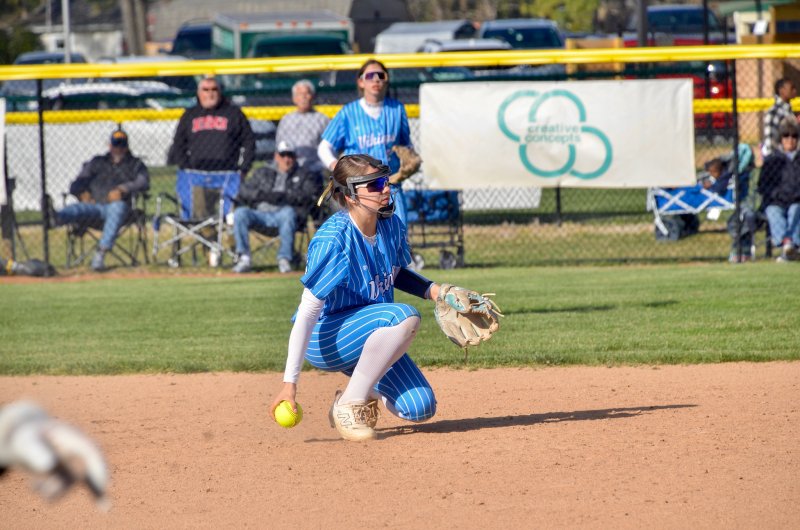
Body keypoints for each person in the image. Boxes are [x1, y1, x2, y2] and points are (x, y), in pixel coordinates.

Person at [269, 154, 440, 442]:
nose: (384, 188)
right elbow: (308, 313)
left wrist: (438, 291)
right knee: (404, 316)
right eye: (373, 186)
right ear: (350, 196)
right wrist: (290, 384)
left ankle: (347, 397)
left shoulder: (390, 225)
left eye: (384, 181)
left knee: (420, 407)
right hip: (326, 337)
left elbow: (395, 273)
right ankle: (351, 404)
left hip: (372, 335)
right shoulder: (335, 240)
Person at [317, 59, 415, 226]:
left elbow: (406, 145)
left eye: (381, 75)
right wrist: (337, 167)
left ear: (386, 80)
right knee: (361, 235)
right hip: (359, 188)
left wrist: (409, 161)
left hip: (389, 186)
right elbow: (324, 147)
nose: (376, 80)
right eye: (370, 76)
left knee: (398, 236)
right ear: (361, 82)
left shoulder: (397, 109)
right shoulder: (349, 112)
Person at [48, 129, 149, 271]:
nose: (118, 149)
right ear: (109, 146)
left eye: (121, 145)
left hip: (119, 210)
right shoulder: (97, 162)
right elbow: (75, 184)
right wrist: (82, 193)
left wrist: (123, 189)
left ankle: (100, 253)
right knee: (78, 207)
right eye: (115, 145)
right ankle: (56, 218)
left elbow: (143, 182)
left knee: (117, 208)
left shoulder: (135, 164)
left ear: (127, 147)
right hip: (94, 207)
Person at [231, 141, 322, 274]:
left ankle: (284, 259)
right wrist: (263, 195)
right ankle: (244, 258)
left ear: (295, 157)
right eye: (283, 155)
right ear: (276, 156)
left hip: (285, 216)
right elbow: (244, 191)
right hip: (259, 214)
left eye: (290, 155)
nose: (286, 159)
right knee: (240, 213)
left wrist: (285, 196)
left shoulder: (303, 174)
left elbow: (310, 194)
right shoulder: (262, 172)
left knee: (288, 212)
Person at [168, 76, 255, 176]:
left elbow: (249, 141)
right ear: (199, 93)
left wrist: (244, 169)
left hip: (228, 172)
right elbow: (179, 143)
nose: (210, 94)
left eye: (214, 89)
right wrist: (185, 167)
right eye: (206, 90)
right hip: (197, 172)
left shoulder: (233, 113)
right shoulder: (190, 115)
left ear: (220, 92)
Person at [758, 118, 800, 262]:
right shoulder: (772, 160)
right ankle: (787, 245)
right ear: (780, 139)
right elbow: (763, 185)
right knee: (772, 211)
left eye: (794, 136)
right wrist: (777, 195)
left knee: (795, 209)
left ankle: (791, 246)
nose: (790, 140)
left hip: (797, 200)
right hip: (777, 201)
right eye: (786, 136)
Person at [275, 79, 330, 172]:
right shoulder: (286, 120)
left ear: (312, 97)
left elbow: (329, 147)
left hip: (315, 166)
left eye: (307, 93)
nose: (303, 97)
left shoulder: (322, 119)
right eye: (299, 94)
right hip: (289, 165)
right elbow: (279, 146)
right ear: (294, 99)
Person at [762, 77, 797, 157]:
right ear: (782, 91)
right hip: (778, 157)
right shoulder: (774, 112)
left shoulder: (788, 110)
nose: (795, 91)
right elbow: (770, 141)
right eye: (792, 88)